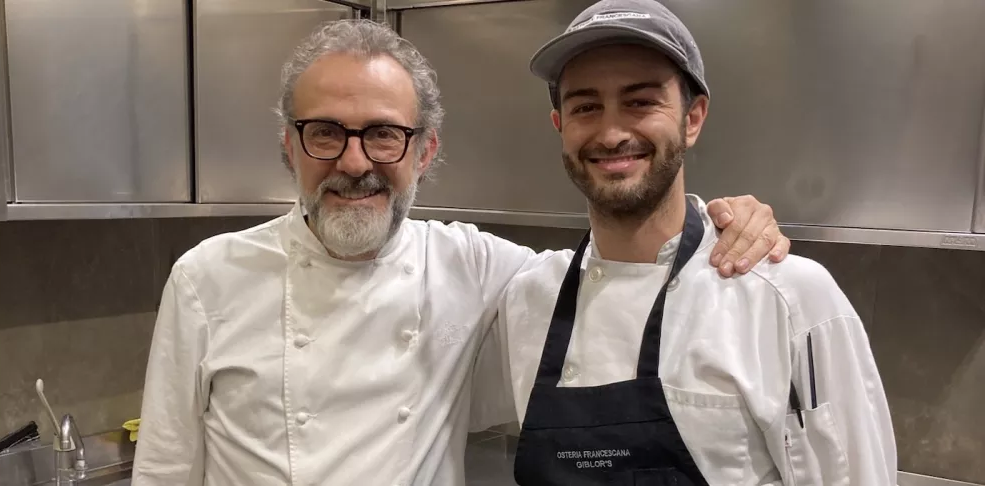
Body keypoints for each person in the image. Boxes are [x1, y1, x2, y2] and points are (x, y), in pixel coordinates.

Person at [131, 19, 791, 486]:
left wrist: (722, 219)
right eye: (325, 132)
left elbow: (620, 275)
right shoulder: (206, 280)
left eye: (386, 135)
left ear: (426, 151)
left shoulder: (475, 268)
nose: (356, 163)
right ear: (288, 145)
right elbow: (163, 473)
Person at [497, 1, 897, 485]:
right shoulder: (526, 298)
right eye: (585, 106)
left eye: (640, 101)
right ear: (560, 126)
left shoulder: (788, 299)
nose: (612, 131)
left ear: (692, 118)